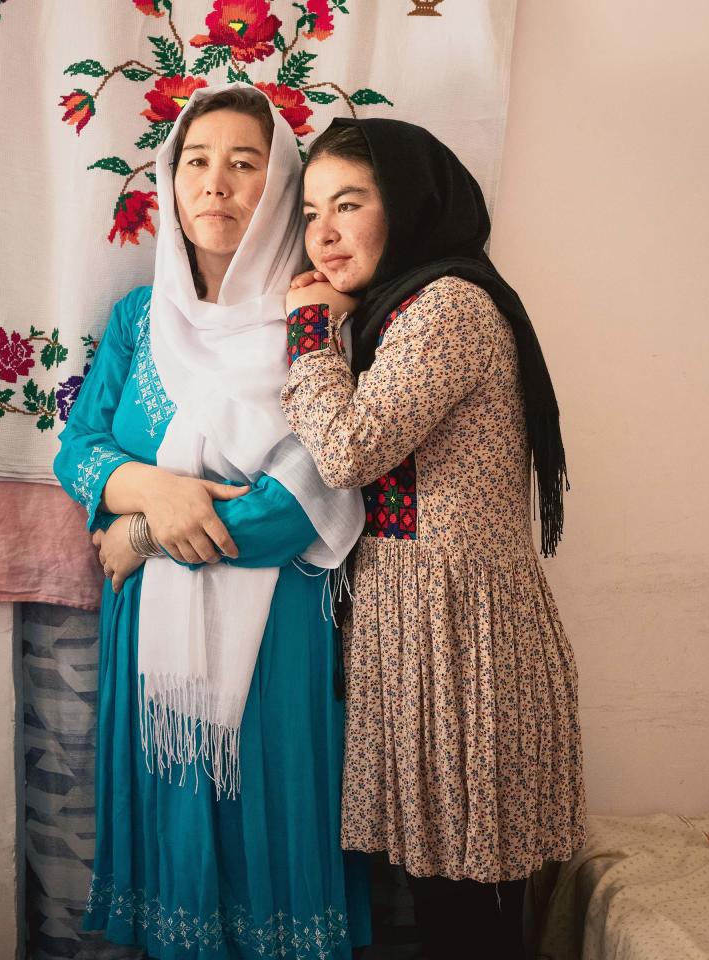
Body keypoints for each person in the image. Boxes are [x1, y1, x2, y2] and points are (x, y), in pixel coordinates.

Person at [53, 85, 370, 960]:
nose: (216, 184)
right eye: (196, 162)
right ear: (169, 179)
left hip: (276, 638)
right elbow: (76, 449)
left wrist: (141, 533)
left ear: (280, 188)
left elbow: (297, 500)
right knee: (172, 827)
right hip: (148, 635)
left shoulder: (317, 326)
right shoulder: (137, 321)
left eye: (244, 163)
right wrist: (153, 491)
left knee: (266, 818)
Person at [281, 118, 586, 958]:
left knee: (462, 906)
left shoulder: (446, 305)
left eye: (349, 203)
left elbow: (346, 450)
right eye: (310, 213)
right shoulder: (403, 309)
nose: (325, 234)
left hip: (458, 638)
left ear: (409, 204)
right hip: (425, 628)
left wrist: (308, 328)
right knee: (444, 899)